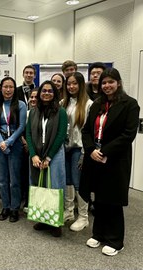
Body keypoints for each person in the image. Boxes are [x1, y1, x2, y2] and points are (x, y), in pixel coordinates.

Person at [80, 68, 139, 256]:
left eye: (110, 82)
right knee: (99, 197)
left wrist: (104, 151)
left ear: (118, 83)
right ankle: (99, 234)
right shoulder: (97, 104)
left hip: (115, 159)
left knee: (113, 199)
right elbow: (86, 130)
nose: (106, 86)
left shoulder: (130, 104)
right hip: (95, 157)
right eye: (104, 83)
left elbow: (128, 134)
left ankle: (115, 241)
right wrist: (91, 150)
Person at [26, 80, 67, 237]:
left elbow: (61, 135)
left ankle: (55, 222)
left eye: (50, 91)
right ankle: (42, 219)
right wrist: (33, 155)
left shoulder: (60, 112)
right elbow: (28, 134)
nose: (47, 93)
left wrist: (49, 157)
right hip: (37, 153)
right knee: (39, 184)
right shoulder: (33, 111)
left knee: (55, 187)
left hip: (54, 153)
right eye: (44, 91)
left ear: (54, 94)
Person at [61, 71, 93, 232]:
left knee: (78, 182)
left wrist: (85, 153)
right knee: (67, 180)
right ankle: (68, 211)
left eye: (75, 83)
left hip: (79, 149)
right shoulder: (63, 102)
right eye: (69, 84)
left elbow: (90, 132)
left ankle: (83, 217)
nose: (71, 86)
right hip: (64, 148)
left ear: (81, 85)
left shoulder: (88, 104)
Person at [0, 77, 27, 222]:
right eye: (5, 87)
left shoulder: (20, 105)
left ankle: (14, 208)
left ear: (14, 88)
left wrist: (9, 141)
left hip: (15, 143)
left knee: (14, 179)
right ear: (1, 88)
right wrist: (1, 142)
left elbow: (21, 126)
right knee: (1, 179)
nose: (8, 90)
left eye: (11, 87)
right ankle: (5, 206)